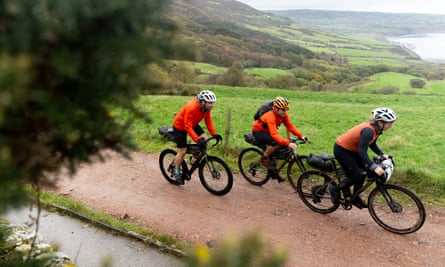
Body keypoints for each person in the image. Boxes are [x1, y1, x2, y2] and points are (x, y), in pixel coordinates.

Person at [329, 107, 397, 209]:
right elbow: (362, 152)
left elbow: (372, 143)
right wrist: (374, 166)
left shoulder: (376, 130)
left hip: (352, 150)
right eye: (389, 123)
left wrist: (382, 154)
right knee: (356, 176)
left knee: (363, 173)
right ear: (380, 122)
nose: (391, 126)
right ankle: (334, 189)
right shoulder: (368, 131)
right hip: (342, 150)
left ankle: (355, 198)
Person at [252, 96, 308, 182]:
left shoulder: (283, 115)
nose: (285, 112)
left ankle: (274, 171)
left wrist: (301, 136)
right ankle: (264, 158)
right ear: (276, 109)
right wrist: (288, 143)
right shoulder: (270, 116)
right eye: (283, 110)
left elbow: (290, 126)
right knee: (276, 143)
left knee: (279, 150)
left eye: (286, 109)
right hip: (259, 131)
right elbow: (274, 135)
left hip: (268, 131)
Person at [172, 90, 222, 185]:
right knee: (183, 150)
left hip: (193, 123)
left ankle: (194, 158)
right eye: (210, 103)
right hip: (180, 126)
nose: (212, 105)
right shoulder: (191, 107)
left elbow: (208, 120)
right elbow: (187, 126)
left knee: (205, 139)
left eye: (213, 103)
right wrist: (197, 140)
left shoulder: (205, 108)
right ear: (203, 102)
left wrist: (214, 134)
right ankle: (176, 170)